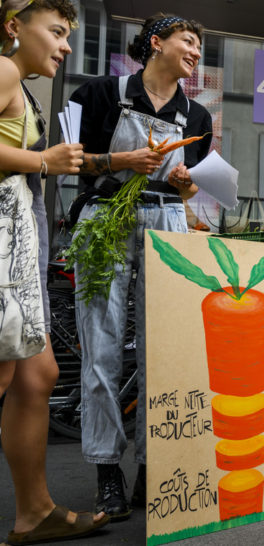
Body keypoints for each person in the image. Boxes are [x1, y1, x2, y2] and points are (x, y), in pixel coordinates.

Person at [69, 13, 212, 520]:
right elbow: (69, 161)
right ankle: (108, 469)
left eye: (199, 46)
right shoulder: (101, 93)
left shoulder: (196, 116)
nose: (196, 52)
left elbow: (196, 187)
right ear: (157, 42)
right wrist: (122, 161)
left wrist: (186, 185)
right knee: (101, 347)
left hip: (168, 220)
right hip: (105, 214)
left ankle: (155, 467)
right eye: (188, 41)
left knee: (166, 349)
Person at [0, 1, 110, 544]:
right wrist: (43, 161)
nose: (65, 46)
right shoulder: (2, 71)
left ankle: (34, 512)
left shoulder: (22, 84)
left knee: (37, 375)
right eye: (58, 32)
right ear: (14, 27)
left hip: (19, 255)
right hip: (3, 256)